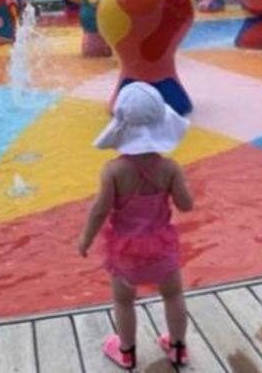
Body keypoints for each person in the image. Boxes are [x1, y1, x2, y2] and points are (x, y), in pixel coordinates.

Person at [78, 82, 195, 369]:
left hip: (125, 252)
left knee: (124, 302)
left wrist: (85, 239)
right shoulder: (169, 168)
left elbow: (99, 211)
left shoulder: (113, 171)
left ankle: (127, 352)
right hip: (162, 248)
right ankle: (178, 348)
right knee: (173, 295)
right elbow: (186, 205)